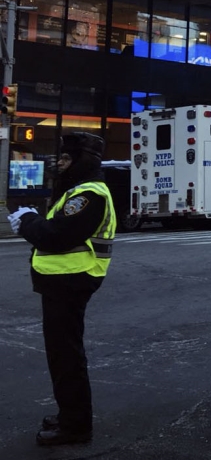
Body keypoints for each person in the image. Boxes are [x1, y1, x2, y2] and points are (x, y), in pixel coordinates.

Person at [6, 132, 116, 446]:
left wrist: (28, 220)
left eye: (67, 158)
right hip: (64, 280)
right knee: (62, 354)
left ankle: (75, 425)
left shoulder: (89, 194)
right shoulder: (79, 191)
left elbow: (56, 236)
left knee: (66, 356)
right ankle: (70, 415)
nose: (61, 164)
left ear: (83, 161)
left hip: (72, 280)